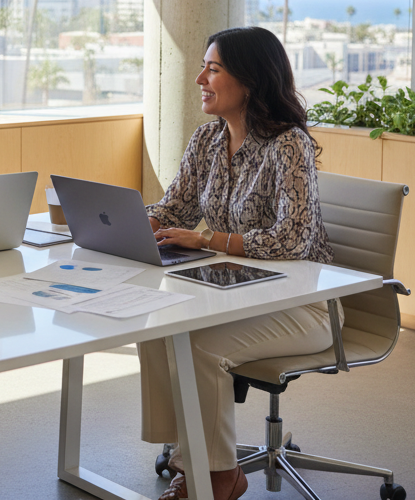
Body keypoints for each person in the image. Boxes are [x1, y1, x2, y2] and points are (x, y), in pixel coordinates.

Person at [139, 26, 335, 500]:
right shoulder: (207, 139)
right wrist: (122, 221)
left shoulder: (290, 145)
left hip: (306, 306)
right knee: (153, 325)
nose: (200, 78)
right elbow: (173, 209)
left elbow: (294, 238)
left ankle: (219, 478)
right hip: (240, 293)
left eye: (214, 68)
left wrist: (211, 239)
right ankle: (194, 461)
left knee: (201, 346)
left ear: (248, 80)